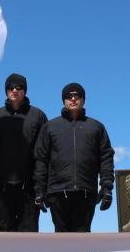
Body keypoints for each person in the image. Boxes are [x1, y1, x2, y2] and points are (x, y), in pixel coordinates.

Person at [33, 83, 115, 232]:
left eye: (77, 96)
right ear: (63, 100)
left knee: (82, 238)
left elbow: (106, 158)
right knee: (61, 239)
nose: (73, 99)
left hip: (86, 193)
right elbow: (41, 159)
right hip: (57, 193)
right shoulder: (50, 127)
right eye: (68, 96)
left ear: (83, 100)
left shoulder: (96, 127)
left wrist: (106, 188)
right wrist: (39, 190)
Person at [0, 73, 48, 232]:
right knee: (5, 236)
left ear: (25, 90)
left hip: (29, 189)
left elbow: (44, 154)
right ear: (6, 90)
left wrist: (42, 187)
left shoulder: (38, 116)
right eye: (11, 87)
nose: (14, 90)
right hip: (2, 189)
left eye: (19, 87)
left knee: (28, 237)